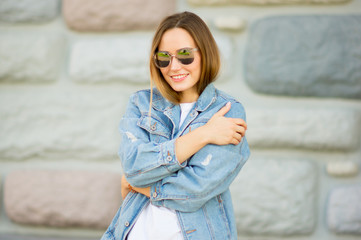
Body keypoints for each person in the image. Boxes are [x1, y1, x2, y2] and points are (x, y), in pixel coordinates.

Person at [101, 11, 250, 240]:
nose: (174, 66)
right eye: (164, 57)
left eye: (184, 55)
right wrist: (204, 134)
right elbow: (133, 165)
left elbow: (194, 191)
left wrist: (141, 185)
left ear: (205, 52)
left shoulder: (227, 111)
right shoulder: (142, 104)